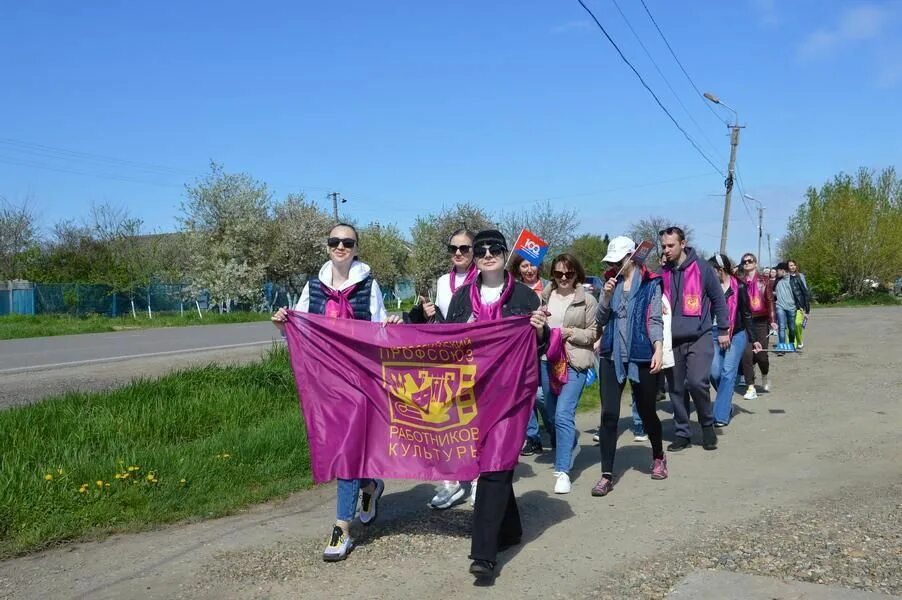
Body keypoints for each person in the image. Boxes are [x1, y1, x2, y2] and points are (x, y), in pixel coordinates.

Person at [272, 223, 402, 562]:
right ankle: (370, 485)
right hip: (324, 380)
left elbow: (379, 330)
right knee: (341, 446)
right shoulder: (313, 286)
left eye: (347, 242)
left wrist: (391, 326)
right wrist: (283, 321)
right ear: (328, 246)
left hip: (359, 380)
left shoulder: (369, 285)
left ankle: (341, 527)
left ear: (356, 248)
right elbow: (299, 326)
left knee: (347, 448)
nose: (340, 246)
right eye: (335, 241)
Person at [443, 229, 548, 582]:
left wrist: (539, 331)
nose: (487, 254)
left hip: (512, 394)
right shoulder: (461, 297)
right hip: (474, 393)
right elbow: (446, 343)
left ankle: (484, 554)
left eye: (495, 249)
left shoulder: (525, 296)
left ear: (505, 254)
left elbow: (540, 347)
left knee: (493, 464)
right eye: (481, 250)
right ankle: (510, 528)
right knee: (493, 462)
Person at [407, 228, 478, 510]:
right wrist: (429, 313)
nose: (458, 253)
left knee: (471, 422)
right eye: (453, 248)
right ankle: (450, 481)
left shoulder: (481, 279)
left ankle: (476, 480)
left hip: (473, 357)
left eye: (464, 248)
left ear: (474, 251)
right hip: (445, 360)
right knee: (444, 421)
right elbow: (440, 318)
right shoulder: (441, 281)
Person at [593, 236, 667, 497]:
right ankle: (606, 474)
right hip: (611, 355)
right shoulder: (608, 283)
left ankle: (658, 455)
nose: (614, 266)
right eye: (611, 262)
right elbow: (600, 319)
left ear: (631, 257)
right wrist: (606, 296)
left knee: (647, 412)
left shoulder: (650, 283)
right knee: (609, 415)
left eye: (618, 261)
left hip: (641, 354)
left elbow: (655, 319)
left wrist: (658, 348)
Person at [659, 227, 730, 451]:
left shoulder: (702, 268)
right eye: (664, 246)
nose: (666, 250)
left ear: (683, 243)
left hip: (700, 335)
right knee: (676, 388)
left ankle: (707, 425)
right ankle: (682, 433)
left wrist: (724, 328)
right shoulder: (662, 273)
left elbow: (718, 298)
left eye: (671, 245)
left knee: (697, 382)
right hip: (671, 339)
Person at [539, 253, 597, 494]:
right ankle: (571, 443)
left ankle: (562, 471)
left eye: (569, 273)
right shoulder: (543, 297)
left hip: (575, 361)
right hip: (547, 360)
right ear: (552, 274)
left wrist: (569, 332)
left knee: (563, 413)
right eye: (559, 273)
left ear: (577, 274)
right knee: (551, 413)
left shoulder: (587, 300)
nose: (564, 278)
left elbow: (593, 334)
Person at [708, 254, 762, 426]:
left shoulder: (739, 286)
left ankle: (721, 415)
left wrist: (754, 339)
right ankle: (726, 403)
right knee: (714, 373)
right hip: (713, 332)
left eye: (711, 270)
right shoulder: (708, 287)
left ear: (720, 269)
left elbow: (747, 314)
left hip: (736, 333)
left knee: (728, 372)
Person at [509, 254, 552, 456]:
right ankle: (532, 438)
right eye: (524, 266)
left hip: (546, 346)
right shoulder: (513, 290)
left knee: (543, 395)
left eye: (532, 265)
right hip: (522, 349)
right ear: (518, 269)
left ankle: (555, 430)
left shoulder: (549, 287)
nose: (529, 270)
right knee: (525, 393)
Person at [739, 253, 776, 399]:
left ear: (755, 263)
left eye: (750, 261)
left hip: (761, 322)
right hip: (746, 323)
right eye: (744, 261)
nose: (747, 263)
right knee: (747, 354)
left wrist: (773, 320)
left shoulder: (765, 281)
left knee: (761, 356)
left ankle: (764, 375)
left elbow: (770, 301)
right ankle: (750, 387)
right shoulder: (740, 282)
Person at [774, 261, 809, 348]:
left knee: (792, 328)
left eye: (778, 271)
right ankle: (782, 347)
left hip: (792, 307)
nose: (776, 272)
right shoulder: (777, 280)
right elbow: (772, 292)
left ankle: (791, 343)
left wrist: (806, 309)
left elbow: (804, 293)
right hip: (780, 306)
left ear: (783, 270)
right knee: (782, 327)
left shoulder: (795, 279)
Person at [788, 260, 810, 349]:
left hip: (799, 304)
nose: (792, 267)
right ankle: (794, 342)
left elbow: (805, 291)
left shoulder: (800, 276)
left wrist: (807, 308)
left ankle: (799, 340)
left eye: (794, 265)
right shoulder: (786, 277)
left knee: (797, 323)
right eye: (790, 265)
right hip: (789, 304)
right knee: (791, 326)